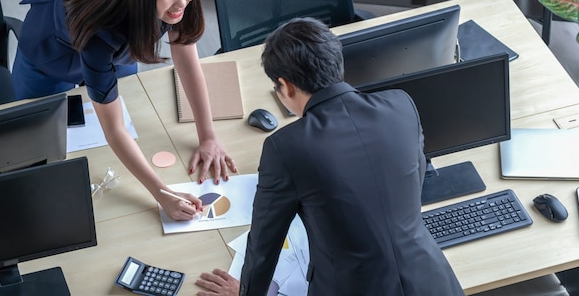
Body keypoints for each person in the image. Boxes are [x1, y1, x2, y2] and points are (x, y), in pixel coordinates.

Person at [196, 18, 464, 296]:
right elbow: (412, 182)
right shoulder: (401, 105)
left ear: (285, 86)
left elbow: (264, 246)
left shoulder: (285, 146)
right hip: (432, 281)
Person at [11, 0, 237, 221]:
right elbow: (113, 129)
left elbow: (187, 60)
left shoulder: (172, 0)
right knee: (39, 141)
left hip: (126, 35)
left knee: (125, 118)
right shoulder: (101, 33)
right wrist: (162, 194)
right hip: (49, 54)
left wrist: (208, 137)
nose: (182, 1)